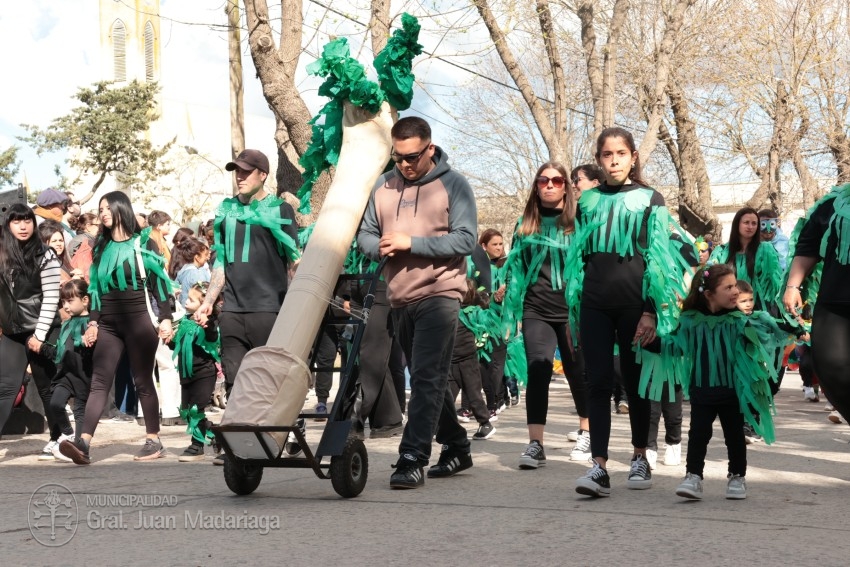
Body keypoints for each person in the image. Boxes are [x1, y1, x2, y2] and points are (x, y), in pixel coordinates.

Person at [357, 116, 477, 489]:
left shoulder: (454, 185)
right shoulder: (383, 185)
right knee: (432, 378)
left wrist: (413, 243)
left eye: (412, 157)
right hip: (399, 297)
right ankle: (457, 446)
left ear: (429, 148)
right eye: (399, 157)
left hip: (441, 293)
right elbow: (364, 234)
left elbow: (466, 240)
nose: (405, 164)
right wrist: (377, 247)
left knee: (425, 376)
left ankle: (412, 457)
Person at [570, 127, 690, 497]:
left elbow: (660, 257)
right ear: (600, 159)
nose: (615, 160)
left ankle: (640, 457)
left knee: (637, 383)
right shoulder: (586, 202)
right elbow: (578, 257)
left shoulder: (651, 198)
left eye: (621, 153)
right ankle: (600, 467)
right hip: (594, 304)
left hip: (635, 307)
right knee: (598, 381)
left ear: (633, 157)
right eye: (607, 154)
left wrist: (652, 311)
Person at [640, 264, 785, 500]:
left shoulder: (739, 320)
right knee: (698, 434)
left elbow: (766, 339)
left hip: (732, 391)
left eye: (735, 285)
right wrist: (650, 342)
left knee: (735, 436)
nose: (735, 291)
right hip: (702, 390)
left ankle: (737, 476)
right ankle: (693, 476)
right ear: (708, 294)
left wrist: (792, 329)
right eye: (728, 287)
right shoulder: (690, 321)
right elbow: (675, 345)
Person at [194, 149, 299, 464]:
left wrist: (297, 305)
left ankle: (288, 431)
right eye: (236, 172)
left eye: (246, 172)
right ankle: (238, 447)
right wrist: (208, 304)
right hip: (233, 311)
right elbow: (221, 263)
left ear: (262, 174)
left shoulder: (280, 209)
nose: (239, 177)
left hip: (270, 309)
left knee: (270, 379)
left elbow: (294, 261)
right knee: (236, 378)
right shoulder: (225, 212)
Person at [59, 191, 175, 465]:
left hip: (139, 321)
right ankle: (83, 444)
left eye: (107, 207)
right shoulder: (101, 247)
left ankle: (154, 440)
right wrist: (93, 323)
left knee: (143, 380)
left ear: (122, 207)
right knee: (99, 381)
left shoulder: (143, 241)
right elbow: (96, 290)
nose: (103, 212)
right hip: (108, 323)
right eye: (100, 209)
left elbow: (159, 283)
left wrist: (167, 317)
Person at [501, 161, 591, 469]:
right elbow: (515, 269)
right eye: (543, 180)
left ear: (566, 186)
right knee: (538, 370)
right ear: (536, 186)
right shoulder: (525, 224)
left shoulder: (580, 221)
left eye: (556, 180)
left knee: (577, 372)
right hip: (536, 309)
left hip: (572, 311)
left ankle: (586, 432)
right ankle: (535, 444)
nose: (549, 185)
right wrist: (510, 306)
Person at [783, 182, 850, 423]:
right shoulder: (832, 204)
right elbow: (808, 246)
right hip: (835, 303)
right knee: (829, 366)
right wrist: (793, 286)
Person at [0, 204, 62, 454]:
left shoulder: (45, 254)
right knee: (5, 387)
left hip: (42, 329)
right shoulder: (2, 255)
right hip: (13, 331)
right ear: (8, 225)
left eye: (27, 220)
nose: (23, 226)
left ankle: (59, 439)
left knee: (47, 387)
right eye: (17, 221)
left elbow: (50, 297)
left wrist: (39, 334)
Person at [41, 279, 93, 462]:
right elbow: (59, 351)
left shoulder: (92, 324)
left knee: (80, 412)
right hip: (65, 375)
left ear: (85, 300)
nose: (66, 306)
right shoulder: (66, 324)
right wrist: (41, 347)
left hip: (84, 375)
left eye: (70, 301)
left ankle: (80, 447)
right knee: (55, 403)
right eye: (63, 302)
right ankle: (69, 436)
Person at [170, 282, 220, 462]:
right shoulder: (185, 320)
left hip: (204, 373)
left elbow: (213, 337)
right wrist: (169, 340)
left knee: (196, 410)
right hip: (186, 373)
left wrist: (209, 324)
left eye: (191, 300)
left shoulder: (209, 323)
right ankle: (215, 432)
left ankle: (197, 446)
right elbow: (178, 345)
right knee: (187, 411)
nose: (185, 302)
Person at [709, 207, 782, 313]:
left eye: (754, 223)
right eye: (746, 222)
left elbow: (773, 284)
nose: (750, 227)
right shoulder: (722, 251)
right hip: (729, 309)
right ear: (737, 224)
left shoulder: (766, 249)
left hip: (759, 309)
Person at [169, 237, 211, 307]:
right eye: (205, 255)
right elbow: (203, 295)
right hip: (194, 311)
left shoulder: (185, 269)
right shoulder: (196, 274)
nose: (207, 258)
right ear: (197, 257)